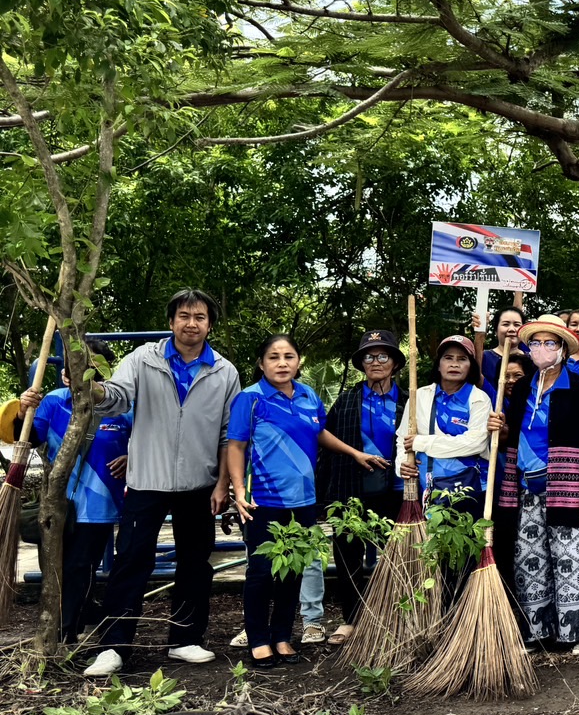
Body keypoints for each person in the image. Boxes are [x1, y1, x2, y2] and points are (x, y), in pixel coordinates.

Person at [48, 290, 242, 678]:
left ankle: (185, 639)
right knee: (131, 561)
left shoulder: (225, 372)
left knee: (195, 562)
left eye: (200, 317)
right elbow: (117, 398)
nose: (191, 323)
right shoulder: (142, 360)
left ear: (210, 325)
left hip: (198, 484)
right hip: (145, 481)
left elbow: (228, 434)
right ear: (171, 322)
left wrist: (223, 484)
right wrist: (94, 387)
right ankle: (114, 646)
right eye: (184, 315)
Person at [226, 335, 381, 669]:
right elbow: (236, 446)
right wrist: (238, 492)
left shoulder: (309, 395)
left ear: (299, 362)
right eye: (273, 357)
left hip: (305, 501)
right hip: (263, 501)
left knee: (292, 571)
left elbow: (318, 433)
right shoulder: (250, 400)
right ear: (261, 363)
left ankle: (282, 635)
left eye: (289, 356)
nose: (282, 363)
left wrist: (355, 453)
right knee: (262, 572)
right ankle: (258, 639)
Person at [490, 315, 579, 654]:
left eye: (550, 343)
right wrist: (500, 425)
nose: (542, 349)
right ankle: (536, 631)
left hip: (568, 487)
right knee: (530, 559)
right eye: (536, 343)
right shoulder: (523, 386)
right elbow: (514, 434)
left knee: (574, 557)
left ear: (563, 350)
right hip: (526, 488)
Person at [26, 340, 132, 644]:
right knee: (55, 569)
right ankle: (76, 618)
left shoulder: (122, 407)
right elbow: (31, 438)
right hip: (57, 504)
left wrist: (131, 457)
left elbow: (146, 441)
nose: (79, 373)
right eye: (73, 365)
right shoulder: (54, 402)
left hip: (99, 507)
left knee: (78, 567)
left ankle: (65, 635)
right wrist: (23, 411)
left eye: (90, 366)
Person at [313, 329, 409, 648]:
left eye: (383, 355)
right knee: (347, 557)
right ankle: (351, 619)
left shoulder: (410, 401)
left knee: (398, 557)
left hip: (395, 492)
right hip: (350, 490)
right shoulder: (348, 399)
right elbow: (323, 438)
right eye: (369, 356)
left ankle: (395, 617)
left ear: (395, 362)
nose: (376, 362)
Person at [395, 335, 492, 607]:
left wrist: (424, 442)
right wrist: (402, 463)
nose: (454, 364)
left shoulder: (478, 399)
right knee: (427, 556)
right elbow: (404, 437)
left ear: (471, 366)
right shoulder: (421, 396)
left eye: (462, 359)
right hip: (426, 489)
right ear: (438, 364)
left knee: (461, 557)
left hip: (467, 490)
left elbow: (473, 443)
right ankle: (432, 615)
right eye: (448, 358)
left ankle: (458, 614)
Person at [475, 305, 527, 397]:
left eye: (517, 325)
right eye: (506, 324)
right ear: (495, 330)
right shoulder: (484, 357)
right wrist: (480, 331)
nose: (511, 329)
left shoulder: (532, 360)